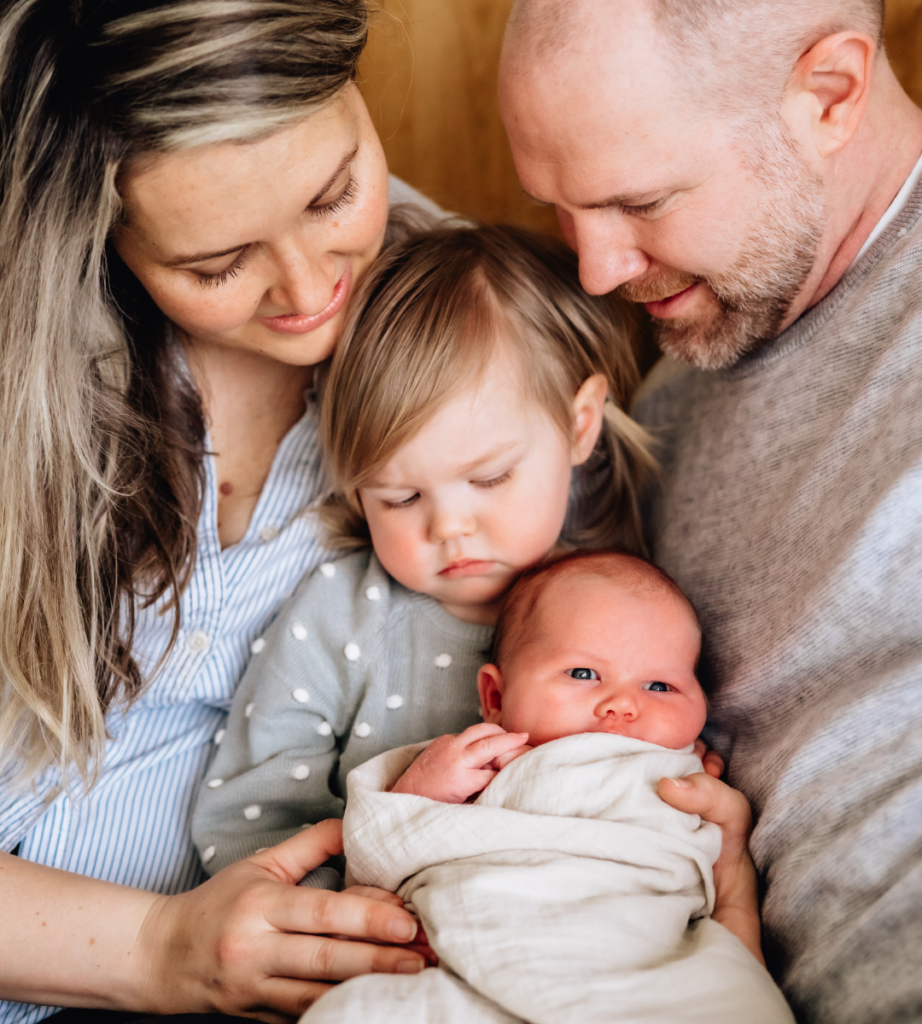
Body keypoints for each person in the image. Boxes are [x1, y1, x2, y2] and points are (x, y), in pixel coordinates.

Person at [0, 2, 464, 1021]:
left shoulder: (475, 351)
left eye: (336, 194)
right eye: (215, 265)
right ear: (95, 230)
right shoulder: (24, 366)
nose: (309, 288)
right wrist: (157, 947)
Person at [498, 1, 922, 1021]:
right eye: (560, 206)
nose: (596, 269)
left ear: (829, 95)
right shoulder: (666, 394)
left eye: (640, 199)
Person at [190, 224, 653, 880]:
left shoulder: (629, 595)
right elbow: (248, 816)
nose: (449, 527)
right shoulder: (343, 615)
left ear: (579, 425)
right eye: (400, 497)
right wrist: (397, 818)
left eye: (490, 479)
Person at [300, 551, 794, 1024]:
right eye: (583, 673)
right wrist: (419, 793)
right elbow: (376, 857)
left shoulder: (690, 781)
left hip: (646, 969)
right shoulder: (475, 765)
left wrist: (729, 853)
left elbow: (720, 900)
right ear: (495, 696)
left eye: (660, 686)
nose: (623, 705)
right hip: (475, 962)